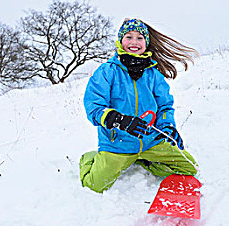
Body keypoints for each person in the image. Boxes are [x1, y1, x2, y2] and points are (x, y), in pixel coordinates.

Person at [80, 18, 199, 193]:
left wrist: (167, 126)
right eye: (129, 37)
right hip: (118, 145)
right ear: (120, 41)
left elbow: (165, 106)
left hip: (151, 142)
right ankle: (90, 158)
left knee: (189, 168)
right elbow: (94, 106)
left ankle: (145, 160)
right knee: (94, 186)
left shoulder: (154, 75)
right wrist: (119, 120)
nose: (134, 42)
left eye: (139, 38)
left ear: (146, 43)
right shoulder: (107, 72)